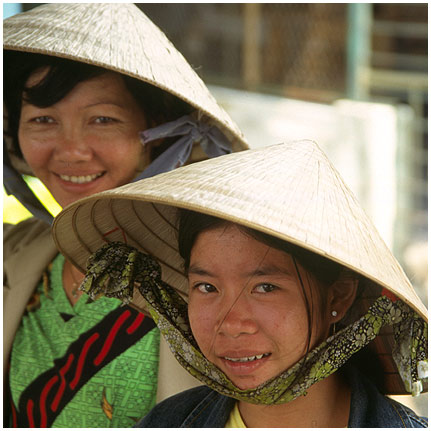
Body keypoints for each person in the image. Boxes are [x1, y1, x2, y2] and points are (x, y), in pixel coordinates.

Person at [52, 140, 428, 427]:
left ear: (339, 296)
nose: (230, 324)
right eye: (207, 287)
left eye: (265, 287)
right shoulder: (170, 421)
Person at [3, 3, 247, 428]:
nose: (72, 151)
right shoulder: (17, 251)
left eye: (102, 119)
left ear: (158, 130)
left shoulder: (218, 270)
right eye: (43, 119)